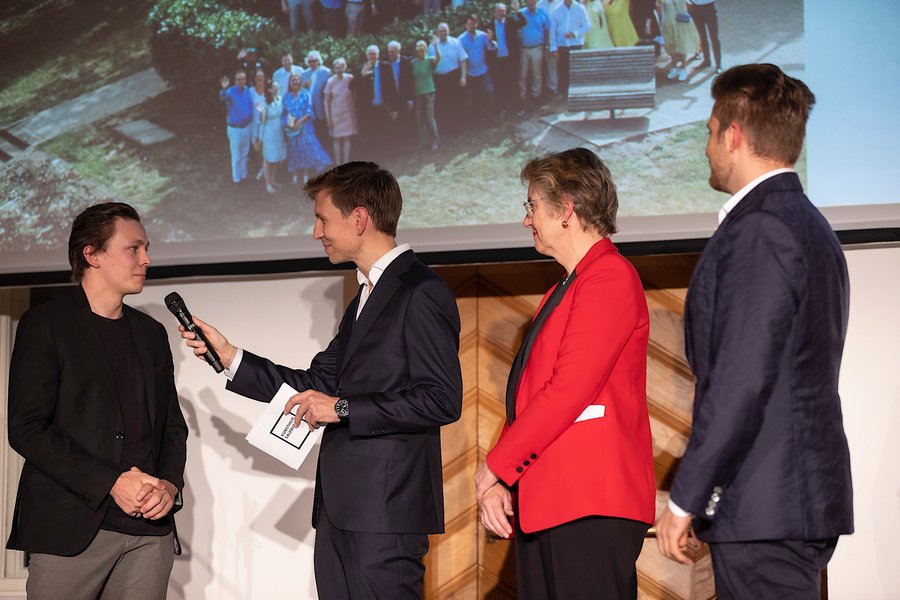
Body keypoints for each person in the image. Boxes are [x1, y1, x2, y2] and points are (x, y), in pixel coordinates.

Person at [179, 161, 464, 599]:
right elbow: (315, 383)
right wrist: (230, 357)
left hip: (385, 516)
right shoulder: (364, 297)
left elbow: (441, 399)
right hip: (339, 512)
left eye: (322, 218)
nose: (316, 232)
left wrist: (343, 408)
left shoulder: (420, 291)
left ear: (360, 218)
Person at [655, 64, 854, 598]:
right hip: (787, 498)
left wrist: (684, 498)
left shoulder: (762, 228)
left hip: (768, 502)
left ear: (733, 136)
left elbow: (742, 377)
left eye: (709, 131)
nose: (705, 147)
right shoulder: (808, 223)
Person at [474, 148, 655, 599]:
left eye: (532, 206)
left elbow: (570, 390)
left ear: (566, 210)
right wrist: (504, 478)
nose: (526, 219)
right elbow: (530, 396)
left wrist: (494, 466)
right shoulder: (567, 285)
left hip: (589, 501)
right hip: (552, 499)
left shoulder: (609, 276)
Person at [7, 202, 188, 599]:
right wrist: (111, 483)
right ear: (92, 254)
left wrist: (170, 488)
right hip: (73, 529)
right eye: (134, 248)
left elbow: (172, 427)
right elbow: (27, 429)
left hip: (149, 535)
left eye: (146, 248)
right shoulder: (46, 324)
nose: (147, 259)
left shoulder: (152, 333)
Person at [283, 74, 333, 184]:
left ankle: (306, 173)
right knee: (294, 150)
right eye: (292, 80)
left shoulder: (305, 94)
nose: (294, 82)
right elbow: (284, 113)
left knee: (305, 149)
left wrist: (299, 122)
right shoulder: (286, 96)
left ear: (300, 81)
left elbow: (309, 111)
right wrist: (289, 123)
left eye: (296, 80)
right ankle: (295, 174)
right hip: (291, 128)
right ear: (289, 83)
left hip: (305, 126)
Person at [486, 2, 525, 114]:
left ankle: (518, 107)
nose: (501, 13)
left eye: (503, 11)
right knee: (500, 84)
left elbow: (523, 22)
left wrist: (517, 11)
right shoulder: (489, 26)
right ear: (494, 12)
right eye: (499, 11)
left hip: (510, 58)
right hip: (497, 60)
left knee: (513, 82)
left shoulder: (510, 21)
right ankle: (503, 108)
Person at [458, 15, 498, 123]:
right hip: (469, 73)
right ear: (466, 26)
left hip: (483, 70)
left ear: (477, 24)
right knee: (470, 98)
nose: (471, 26)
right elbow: (460, 57)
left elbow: (492, 47)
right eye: (469, 24)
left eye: (473, 24)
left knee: (490, 92)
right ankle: (472, 121)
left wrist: (490, 40)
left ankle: (492, 117)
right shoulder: (461, 39)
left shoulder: (482, 35)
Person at [548, 0, 591, 97]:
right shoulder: (556, 10)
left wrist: (574, 34)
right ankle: (564, 96)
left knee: (576, 70)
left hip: (575, 44)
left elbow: (587, 25)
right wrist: (553, 47)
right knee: (563, 71)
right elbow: (552, 30)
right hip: (561, 45)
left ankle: (577, 94)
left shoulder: (580, 8)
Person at [431, 22, 468, 134]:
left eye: (445, 31)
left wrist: (463, 76)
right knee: (443, 105)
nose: (443, 33)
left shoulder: (456, 42)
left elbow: (463, 60)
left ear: (449, 31)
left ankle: (457, 129)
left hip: (454, 76)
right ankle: (446, 130)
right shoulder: (431, 46)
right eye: (440, 31)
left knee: (456, 103)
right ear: (437, 33)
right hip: (439, 79)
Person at [219, 70, 254, 185]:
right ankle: (236, 179)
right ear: (235, 81)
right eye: (238, 79)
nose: (240, 81)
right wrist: (224, 88)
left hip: (246, 127)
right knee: (236, 155)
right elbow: (223, 97)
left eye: (242, 79)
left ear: (245, 80)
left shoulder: (248, 90)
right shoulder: (230, 91)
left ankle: (244, 175)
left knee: (245, 153)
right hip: (235, 128)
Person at [517, 0, 552, 111]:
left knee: (537, 74)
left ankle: (536, 96)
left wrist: (546, 46)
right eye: (529, 1)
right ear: (526, 2)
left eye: (533, 1)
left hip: (537, 47)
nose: (531, 2)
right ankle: (522, 97)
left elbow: (547, 30)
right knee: (522, 74)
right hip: (523, 49)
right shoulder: (520, 14)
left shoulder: (542, 13)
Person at [324, 57, 358, 164]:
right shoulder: (330, 81)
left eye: (341, 67)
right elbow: (326, 101)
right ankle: (338, 163)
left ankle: (346, 161)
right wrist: (328, 118)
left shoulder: (350, 78)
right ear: (334, 69)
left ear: (345, 67)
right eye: (337, 68)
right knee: (337, 139)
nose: (339, 70)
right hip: (335, 114)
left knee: (347, 138)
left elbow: (355, 94)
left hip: (348, 113)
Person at [412, 39, 442, 151]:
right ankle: (423, 142)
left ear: (425, 50)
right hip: (418, 94)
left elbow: (438, 58)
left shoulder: (429, 60)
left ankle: (436, 141)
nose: (420, 52)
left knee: (430, 117)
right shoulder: (413, 63)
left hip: (429, 92)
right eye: (418, 50)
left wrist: (435, 45)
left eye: (422, 49)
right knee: (419, 118)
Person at [258, 81, 288, 192]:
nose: (277, 89)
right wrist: (260, 137)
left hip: (278, 132)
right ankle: (268, 183)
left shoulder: (279, 99)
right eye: (275, 87)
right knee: (268, 158)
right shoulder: (263, 102)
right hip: (268, 132)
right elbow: (261, 120)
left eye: (277, 87)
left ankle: (273, 180)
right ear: (269, 90)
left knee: (276, 157)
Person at [660, 0, 700, 81]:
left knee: (681, 44)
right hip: (668, 22)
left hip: (680, 21)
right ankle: (674, 67)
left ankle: (683, 68)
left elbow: (686, 6)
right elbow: (660, 7)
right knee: (671, 44)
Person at [301, 50, 333, 150]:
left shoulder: (326, 72)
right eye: (310, 61)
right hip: (308, 110)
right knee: (311, 135)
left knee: (323, 135)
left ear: (319, 61)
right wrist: (304, 86)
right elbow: (300, 92)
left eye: (314, 61)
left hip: (321, 109)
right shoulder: (304, 74)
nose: (312, 63)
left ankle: (328, 159)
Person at [687, 0, 721, 73]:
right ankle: (706, 61)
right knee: (701, 37)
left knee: (714, 37)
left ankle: (718, 64)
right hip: (695, 7)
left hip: (709, 7)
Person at [249, 68, 268, 182]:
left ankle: (268, 169)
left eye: (262, 76)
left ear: (264, 78)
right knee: (257, 147)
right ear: (255, 79)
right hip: (254, 124)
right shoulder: (251, 91)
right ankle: (261, 167)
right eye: (257, 76)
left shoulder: (269, 91)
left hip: (267, 125)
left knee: (267, 148)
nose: (260, 78)